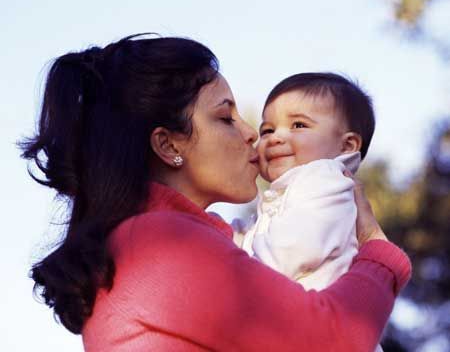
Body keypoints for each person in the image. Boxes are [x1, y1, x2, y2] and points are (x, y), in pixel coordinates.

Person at [21, 34, 411, 351]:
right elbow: (337, 341)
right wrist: (379, 253)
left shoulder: (158, 242)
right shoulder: (159, 243)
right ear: (169, 145)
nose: (252, 133)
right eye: (225, 117)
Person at [236, 73, 383, 351]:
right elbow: (244, 238)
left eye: (298, 125)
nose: (275, 138)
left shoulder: (326, 180)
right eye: (267, 130)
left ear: (347, 146)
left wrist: (231, 270)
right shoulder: (284, 195)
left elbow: (293, 249)